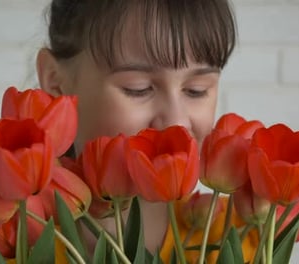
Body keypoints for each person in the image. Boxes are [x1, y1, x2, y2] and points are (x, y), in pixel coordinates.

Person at [35, 0, 240, 260]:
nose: (176, 123)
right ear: (55, 82)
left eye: (196, 90)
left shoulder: (236, 239)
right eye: (138, 88)